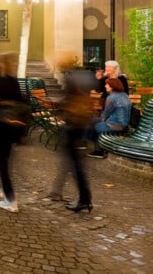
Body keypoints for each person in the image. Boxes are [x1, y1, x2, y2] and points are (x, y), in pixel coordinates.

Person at [57, 62, 97, 212]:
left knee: (75, 163)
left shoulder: (71, 78)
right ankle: (83, 197)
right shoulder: (84, 77)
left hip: (73, 124)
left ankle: (84, 198)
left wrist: (61, 105)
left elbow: (69, 99)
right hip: (81, 123)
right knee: (74, 161)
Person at [0, 52, 23, 212]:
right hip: (12, 126)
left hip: (0, 125)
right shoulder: (13, 81)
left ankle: (10, 199)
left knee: (3, 163)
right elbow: (21, 101)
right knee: (5, 160)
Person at [87, 78, 131, 159]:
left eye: (107, 84)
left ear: (112, 86)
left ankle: (99, 151)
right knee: (92, 121)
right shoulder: (125, 95)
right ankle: (88, 140)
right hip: (125, 124)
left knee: (95, 126)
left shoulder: (111, 97)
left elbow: (105, 114)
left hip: (115, 125)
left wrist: (101, 121)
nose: (105, 86)